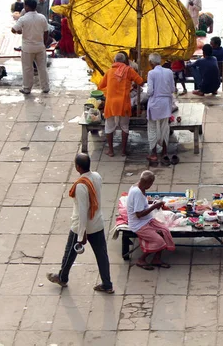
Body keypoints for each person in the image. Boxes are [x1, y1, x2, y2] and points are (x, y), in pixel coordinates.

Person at [46, 153, 113, 293]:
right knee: (102, 256)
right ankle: (107, 284)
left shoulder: (81, 186)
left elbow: (83, 211)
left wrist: (82, 235)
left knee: (69, 253)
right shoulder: (97, 176)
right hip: (97, 223)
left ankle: (62, 278)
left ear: (77, 167)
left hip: (80, 227)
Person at [98, 52, 145, 157]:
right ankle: (123, 151)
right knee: (124, 126)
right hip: (124, 104)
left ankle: (111, 151)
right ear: (125, 61)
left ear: (114, 61)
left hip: (110, 105)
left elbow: (100, 85)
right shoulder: (129, 70)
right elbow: (141, 82)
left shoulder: (109, 71)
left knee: (109, 127)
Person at [127, 171, 174, 270]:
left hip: (147, 219)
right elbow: (139, 214)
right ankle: (141, 260)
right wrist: (154, 206)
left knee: (164, 231)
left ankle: (156, 259)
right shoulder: (137, 193)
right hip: (138, 224)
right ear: (149, 183)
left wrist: (151, 203)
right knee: (159, 241)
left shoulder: (138, 187)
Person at [12, 0, 50, 95]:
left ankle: (27, 88)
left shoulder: (23, 18)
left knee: (27, 68)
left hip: (27, 48)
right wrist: (44, 43)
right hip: (40, 46)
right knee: (42, 68)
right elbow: (46, 32)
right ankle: (45, 87)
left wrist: (20, 31)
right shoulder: (42, 18)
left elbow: (13, 29)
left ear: (27, 7)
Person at [146, 53, 176, 164]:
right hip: (166, 104)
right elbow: (173, 88)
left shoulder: (151, 73)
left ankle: (153, 154)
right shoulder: (169, 72)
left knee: (152, 128)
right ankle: (164, 152)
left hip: (155, 104)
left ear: (151, 63)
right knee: (165, 128)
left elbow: (150, 91)